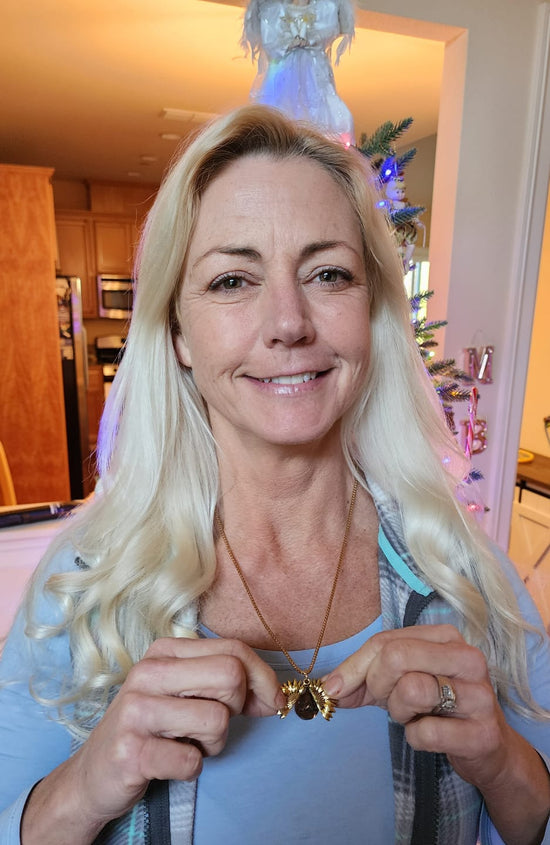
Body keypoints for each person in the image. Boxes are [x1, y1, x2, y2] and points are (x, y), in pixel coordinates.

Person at [1, 105, 550, 845]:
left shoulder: (467, 578)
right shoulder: (84, 586)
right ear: (178, 332)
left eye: (328, 273)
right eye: (233, 280)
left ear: (371, 311)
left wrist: (505, 762)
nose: (288, 323)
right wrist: (88, 782)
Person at [242, 0, 356, 144]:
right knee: (276, 120)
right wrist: (288, 44)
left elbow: (334, 29)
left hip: (315, 75)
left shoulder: (326, 9)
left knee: (324, 118)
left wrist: (311, 40)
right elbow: (271, 42)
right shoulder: (273, 10)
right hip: (282, 77)